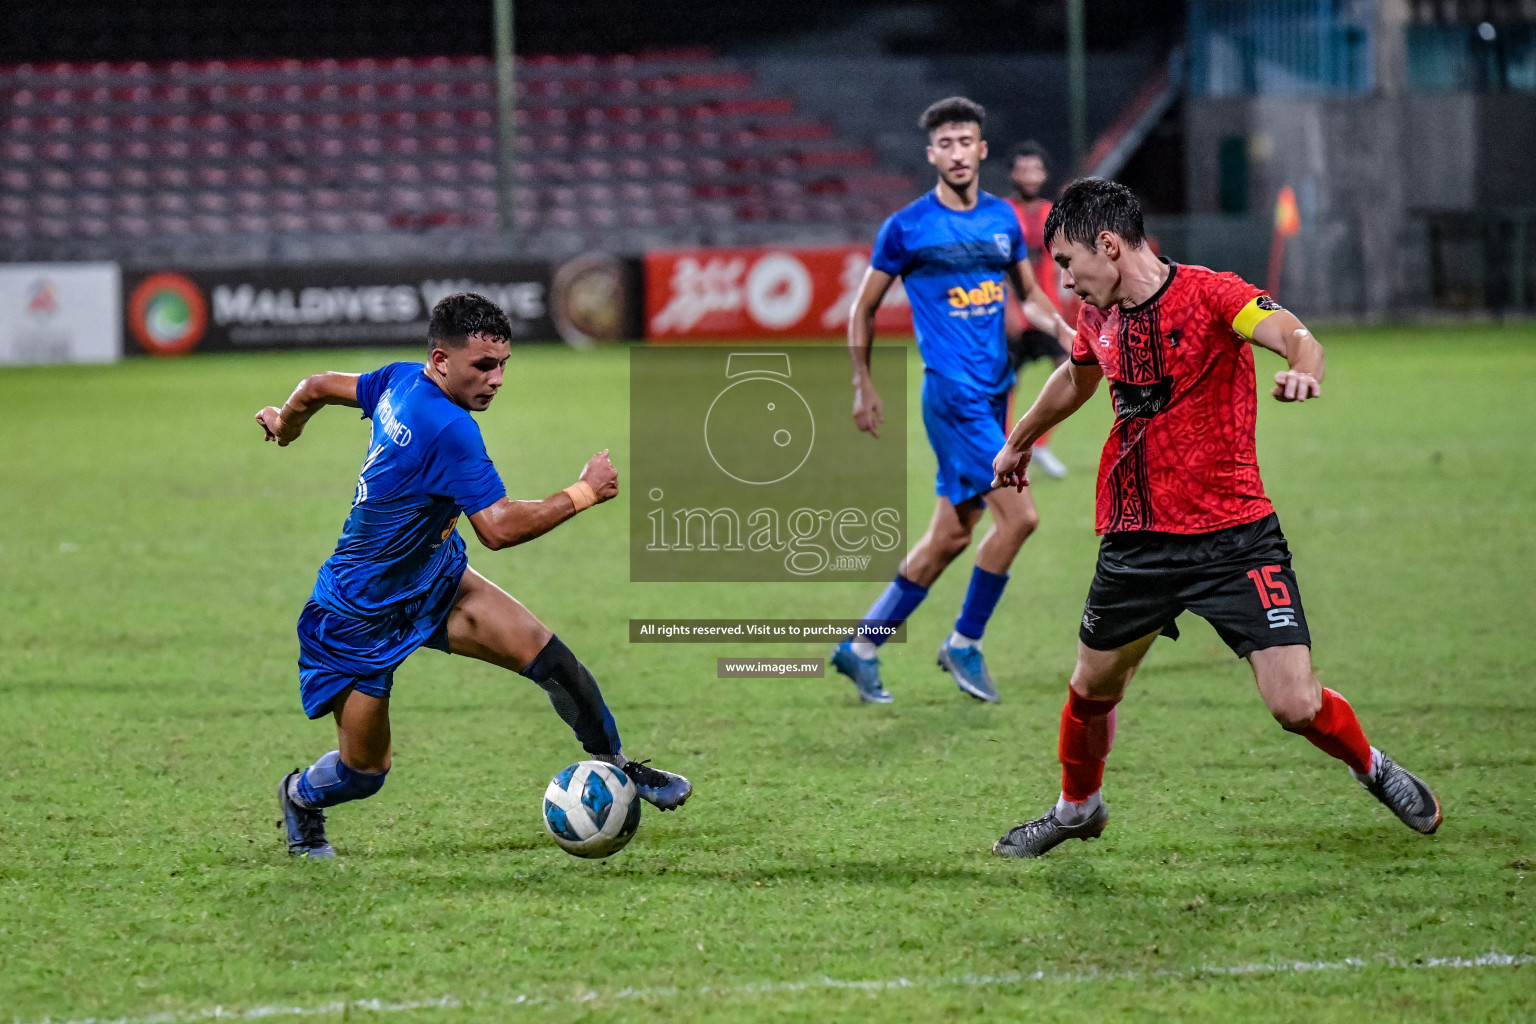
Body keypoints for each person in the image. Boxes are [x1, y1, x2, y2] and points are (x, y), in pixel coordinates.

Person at [989, 178, 1441, 858]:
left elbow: (1292, 332)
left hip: (1235, 539)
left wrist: (1303, 368)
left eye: (1066, 263)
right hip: (1137, 539)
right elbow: (1078, 377)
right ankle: (1077, 808)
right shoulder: (1098, 314)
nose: (1066, 282)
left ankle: (1372, 767)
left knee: (1294, 703)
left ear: (1107, 245)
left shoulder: (1212, 293)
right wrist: (1018, 440)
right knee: (1091, 689)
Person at [255, 293, 692, 859]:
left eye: (504, 364)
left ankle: (616, 767)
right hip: (358, 616)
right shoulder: (447, 428)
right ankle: (301, 797)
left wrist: (285, 424)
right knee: (365, 772)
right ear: (441, 359)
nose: (498, 379)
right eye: (483, 366)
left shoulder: (399, 381)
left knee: (553, 662)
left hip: (437, 582)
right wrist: (584, 492)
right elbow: (499, 528)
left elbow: (316, 386)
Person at [831, 97, 1075, 705]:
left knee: (950, 537)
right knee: (1021, 517)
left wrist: (1066, 332)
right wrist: (863, 384)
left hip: (993, 395)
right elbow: (862, 308)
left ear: (981, 150)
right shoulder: (907, 227)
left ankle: (860, 646)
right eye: (946, 144)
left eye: (966, 141)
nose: (958, 152)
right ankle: (965, 641)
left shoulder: (1003, 221)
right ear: (932, 154)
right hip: (953, 397)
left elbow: (1031, 297)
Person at [1002, 140, 1073, 479]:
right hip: (1013, 315)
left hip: (1048, 312)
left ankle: (1040, 444)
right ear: (1013, 173)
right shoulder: (1000, 213)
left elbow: (1065, 260)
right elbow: (993, 265)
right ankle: (1006, 447)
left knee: (1070, 371)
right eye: (1023, 168)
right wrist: (1007, 308)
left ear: (1044, 174)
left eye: (1035, 169)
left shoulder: (1051, 213)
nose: (1029, 175)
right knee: (1004, 382)